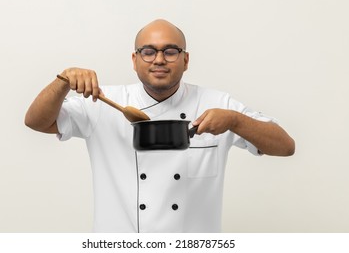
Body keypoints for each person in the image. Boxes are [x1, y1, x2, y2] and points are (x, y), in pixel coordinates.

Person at [25, 19, 295, 233]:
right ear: (135, 60)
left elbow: (285, 147)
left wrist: (236, 120)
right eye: (148, 51)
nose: (159, 59)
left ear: (185, 60)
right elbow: (36, 122)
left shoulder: (216, 103)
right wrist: (62, 81)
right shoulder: (103, 102)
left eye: (170, 51)